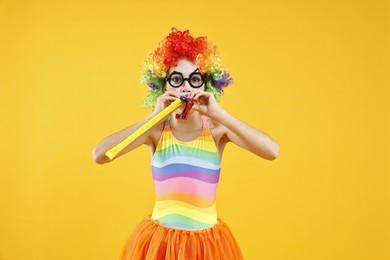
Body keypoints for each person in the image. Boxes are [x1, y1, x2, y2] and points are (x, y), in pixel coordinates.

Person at [93, 28, 279, 260]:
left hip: (207, 247)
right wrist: (154, 117)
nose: (186, 87)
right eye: (177, 79)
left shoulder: (217, 130)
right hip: (160, 246)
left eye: (195, 79)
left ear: (207, 85)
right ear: (162, 85)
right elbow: (99, 155)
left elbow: (272, 151)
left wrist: (219, 114)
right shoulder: (155, 131)